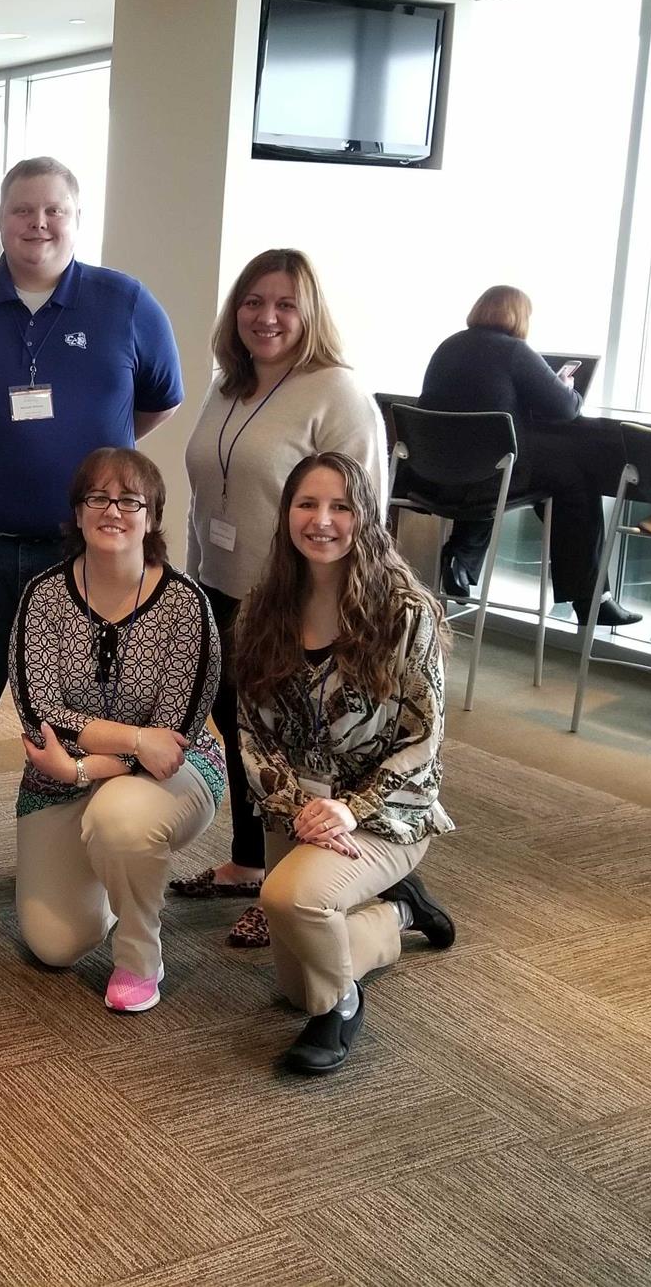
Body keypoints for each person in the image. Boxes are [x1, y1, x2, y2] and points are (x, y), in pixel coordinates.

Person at [0, 156, 183, 905]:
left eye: (54, 210)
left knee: (88, 698)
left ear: (75, 219)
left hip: (80, 553)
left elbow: (154, 406)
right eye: (24, 210)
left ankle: (88, 833)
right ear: (0, 218)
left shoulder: (125, 303)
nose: (39, 224)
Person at [175, 249, 385, 949]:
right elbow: (212, 488)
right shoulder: (228, 384)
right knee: (240, 733)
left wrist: (336, 604)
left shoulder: (336, 392)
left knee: (297, 747)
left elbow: (363, 510)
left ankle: (290, 882)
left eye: (285, 304)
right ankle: (246, 861)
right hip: (223, 588)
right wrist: (196, 580)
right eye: (254, 302)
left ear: (310, 313)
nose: (267, 317)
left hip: (299, 599)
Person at [234, 451, 456, 1074]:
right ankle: (400, 909)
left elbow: (425, 740)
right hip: (298, 811)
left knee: (294, 907)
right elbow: (251, 733)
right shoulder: (261, 609)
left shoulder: (403, 612)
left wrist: (349, 810)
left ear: (366, 517)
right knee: (294, 986)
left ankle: (342, 1008)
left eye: (341, 506)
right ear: (286, 515)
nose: (322, 520)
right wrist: (299, 807)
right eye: (307, 504)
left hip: (383, 813)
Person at [10, 447, 227, 1012]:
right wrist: (126, 744)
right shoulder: (42, 597)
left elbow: (172, 741)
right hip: (58, 782)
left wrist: (81, 763)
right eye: (98, 498)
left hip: (173, 777)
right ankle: (114, 871)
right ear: (77, 513)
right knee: (56, 945)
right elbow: (43, 717)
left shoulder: (186, 606)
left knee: (120, 817)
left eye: (130, 500)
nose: (114, 511)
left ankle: (139, 958)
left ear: (151, 517)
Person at [416, 284, 637, 625]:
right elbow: (566, 409)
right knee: (575, 480)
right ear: (519, 317)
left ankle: (462, 557)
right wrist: (566, 386)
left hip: (432, 477)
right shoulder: (515, 351)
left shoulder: (448, 347)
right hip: (487, 480)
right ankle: (590, 599)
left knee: (494, 466)